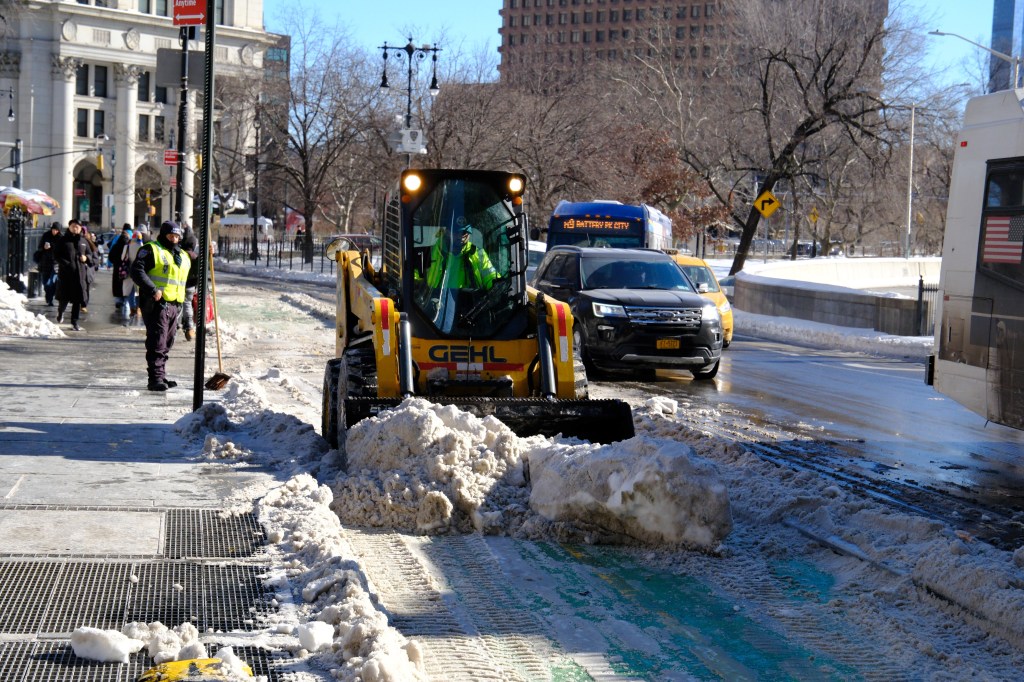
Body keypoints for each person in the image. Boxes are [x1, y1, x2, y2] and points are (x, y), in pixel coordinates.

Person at [130, 220, 192, 391]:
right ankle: (155, 378)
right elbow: (136, 271)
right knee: (157, 341)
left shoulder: (183, 256)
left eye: (177, 236)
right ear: (164, 235)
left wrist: (207, 257)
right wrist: (152, 289)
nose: (174, 239)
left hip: (175, 305)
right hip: (157, 303)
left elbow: (192, 276)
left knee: (167, 342)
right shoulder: (151, 249)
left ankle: (161, 375)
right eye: (171, 235)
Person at [426, 224, 497, 290]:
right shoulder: (430, 252)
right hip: (436, 301)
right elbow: (416, 279)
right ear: (446, 232)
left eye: (464, 232)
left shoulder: (477, 253)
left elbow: (490, 276)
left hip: (471, 302)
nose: (461, 236)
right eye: (456, 231)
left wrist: (497, 284)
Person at [54, 219, 95, 331]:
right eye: (73, 226)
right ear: (69, 227)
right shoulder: (63, 240)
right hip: (66, 275)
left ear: (81, 228)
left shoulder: (83, 241)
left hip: (80, 276)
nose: (75, 228)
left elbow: (91, 256)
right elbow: (56, 255)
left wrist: (86, 258)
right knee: (64, 299)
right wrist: (66, 264)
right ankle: (60, 312)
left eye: (77, 226)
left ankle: (74, 322)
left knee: (77, 300)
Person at [179, 221, 199, 341]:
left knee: (177, 305)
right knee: (187, 304)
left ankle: (177, 325)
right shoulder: (194, 257)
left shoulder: (180, 255)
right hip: (190, 285)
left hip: (179, 284)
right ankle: (189, 327)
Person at [108, 223, 133, 321]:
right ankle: (125, 314)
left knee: (117, 286)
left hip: (117, 269)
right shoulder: (129, 245)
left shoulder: (116, 245)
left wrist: (113, 263)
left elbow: (111, 256)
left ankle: (118, 301)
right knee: (125, 288)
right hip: (126, 270)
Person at [36, 222, 63, 306]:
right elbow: (39, 247)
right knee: (45, 282)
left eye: (56, 230)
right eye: (53, 229)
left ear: (59, 231)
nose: (54, 231)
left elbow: (62, 250)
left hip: (56, 263)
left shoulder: (61, 238)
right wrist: (44, 247)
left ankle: (50, 299)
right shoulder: (46, 235)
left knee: (52, 282)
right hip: (45, 262)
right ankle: (48, 296)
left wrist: (52, 246)